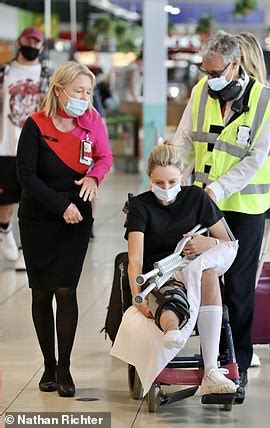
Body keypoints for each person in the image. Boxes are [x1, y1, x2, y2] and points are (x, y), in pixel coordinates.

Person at [173, 30, 270, 389]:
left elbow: (257, 158)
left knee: (238, 284)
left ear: (235, 64)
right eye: (205, 71)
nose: (210, 78)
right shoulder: (201, 93)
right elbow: (185, 140)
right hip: (204, 202)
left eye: (216, 71)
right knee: (206, 277)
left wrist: (217, 190)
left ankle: (236, 357)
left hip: (245, 205)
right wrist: (174, 180)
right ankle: (213, 358)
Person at [16, 61, 113, 397]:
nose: (84, 98)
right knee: (41, 292)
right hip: (38, 219)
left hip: (76, 219)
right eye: (78, 91)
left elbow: (105, 157)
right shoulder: (35, 125)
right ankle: (47, 364)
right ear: (59, 90)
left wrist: (93, 176)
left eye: (88, 92)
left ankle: (65, 368)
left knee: (66, 290)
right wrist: (61, 206)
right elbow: (26, 175)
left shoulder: (92, 122)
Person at [125, 142, 238, 395]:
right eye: (159, 183)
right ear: (149, 178)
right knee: (171, 297)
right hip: (161, 272)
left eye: (171, 181)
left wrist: (207, 242)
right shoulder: (140, 207)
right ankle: (172, 330)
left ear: (182, 174)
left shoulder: (197, 198)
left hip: (193, 268)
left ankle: (211, 370)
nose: (166, 189)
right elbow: (135, 259)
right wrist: (137, 297)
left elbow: (228, 242)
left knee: (207, 273)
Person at [0, 27, 50, 268]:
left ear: (42, 46)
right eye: (28, 40)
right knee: (6, 199)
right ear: (20, 41)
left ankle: (24, 250)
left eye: (36, 41)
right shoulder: (4, 72)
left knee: (33, 200)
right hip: (6, 144)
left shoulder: (47, 75)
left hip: (36, 146)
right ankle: (4, 229)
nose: (32, 44)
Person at [236, 32, 270, 217]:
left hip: (253, 201)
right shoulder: (216, 97)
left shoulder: (267, 99)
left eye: (238, 60)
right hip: (219, 197)